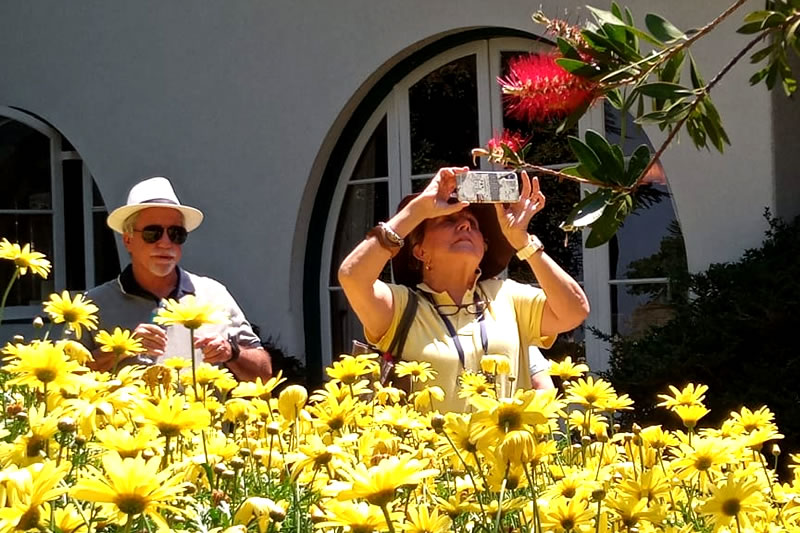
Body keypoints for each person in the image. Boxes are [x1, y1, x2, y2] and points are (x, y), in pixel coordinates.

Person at [338, 167, 588, 411]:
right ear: (420, 251)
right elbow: (352, 276)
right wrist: (418, 210)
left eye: (473, 224)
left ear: (484, 248)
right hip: (426, 452)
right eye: (448, 220)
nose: (466, 225)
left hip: (506, 452)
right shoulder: (402, 306)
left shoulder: (506, 296)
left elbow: (574, 311)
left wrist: (523, 242)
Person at [84, 176, 272, 382]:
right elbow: (67, 379)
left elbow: (264, 375)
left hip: (202, 414)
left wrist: (232, 352)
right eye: (152, 233)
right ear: (128, 240)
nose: (165, 243)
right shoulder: (93, 305)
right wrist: (122, 349)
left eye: (176, 233)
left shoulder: (213, 295)